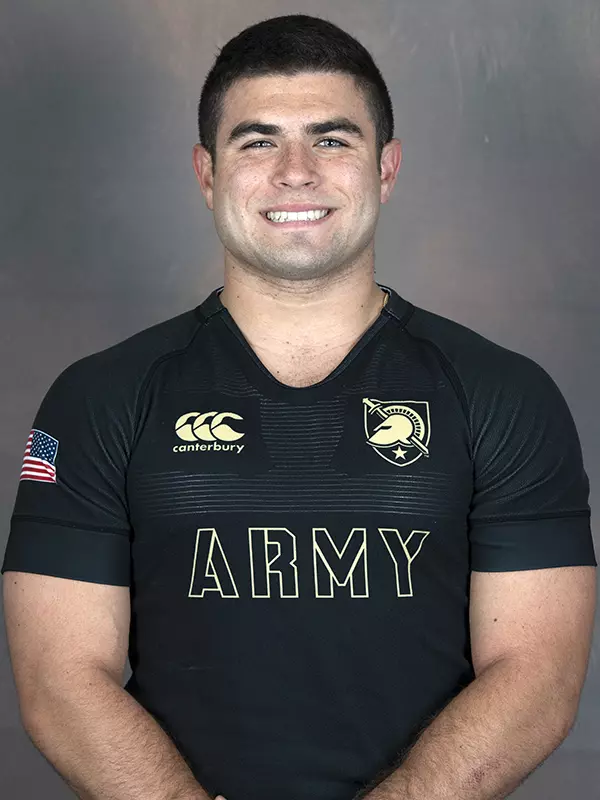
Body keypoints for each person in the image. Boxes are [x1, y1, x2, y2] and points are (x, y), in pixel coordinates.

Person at [2, 13, 597, 800]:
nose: (295, 173)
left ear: (386, 169)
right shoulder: (99, 399)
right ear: (207, 173)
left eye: (331, 139)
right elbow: (60, 678)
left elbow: (537, 675)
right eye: (257, 142)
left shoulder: (503, 395)